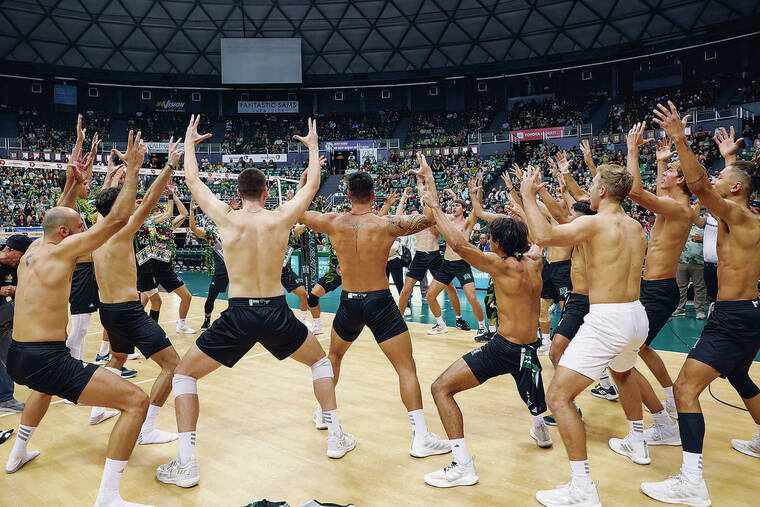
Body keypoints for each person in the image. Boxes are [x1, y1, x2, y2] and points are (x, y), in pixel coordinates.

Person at [157, 117, 355, 489]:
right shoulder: (281, 218)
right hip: (277, 312)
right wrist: (313, 146)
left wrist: (189, 142)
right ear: (266, 193)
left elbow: (193, 181)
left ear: (238, 194)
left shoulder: (226, 218)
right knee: (321, 362)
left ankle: (187, 463)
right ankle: (335, 437)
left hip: (239, 314)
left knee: (184, 375)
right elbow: (312, 183)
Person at [4, 130, 155, 507]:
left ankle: (17, 452)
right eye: (81, 227)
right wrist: (134, 169)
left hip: (19, 358)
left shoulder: (35, 248)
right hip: (46, 356)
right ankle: (108, 497)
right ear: (67, 233)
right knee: (136, 401)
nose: (86, 231)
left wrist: (73, 183)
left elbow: (59, 213)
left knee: (43, 386)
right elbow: (118, 217)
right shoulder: (64, 250)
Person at [641, 102, 760, 506]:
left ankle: (691, 481)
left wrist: (678, 138)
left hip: (733, 317)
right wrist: (731, 161)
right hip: (745, 313)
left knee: (686, 387)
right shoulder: (741, 215)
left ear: (736, 189)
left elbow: (700, 186)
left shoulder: (739, 216)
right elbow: (714, 191)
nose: (715, 178)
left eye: (723, 176)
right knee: (740, 376)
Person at [300, 153, 450, 459]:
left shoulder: (333, 222)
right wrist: (428, 179)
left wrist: (306, 178)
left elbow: (299, 212)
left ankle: (322, 414)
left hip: (349, 302)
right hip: (379, 302)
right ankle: (420, 437)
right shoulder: (387, 224)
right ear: (372, 194)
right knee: (405, 368)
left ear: (348, 194)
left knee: (333, 357)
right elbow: (432, 217)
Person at [521, 164, 648, 506]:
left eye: (592, 184)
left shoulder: (594, 223)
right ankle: (638, 441)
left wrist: (527, 195)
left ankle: (582, 488)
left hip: (608, 318)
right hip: (637, 314)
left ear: (604, 191)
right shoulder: (636, 227)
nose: (587, 190)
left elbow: (542, 237)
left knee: (559, 398)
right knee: (622, 374)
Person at [418, 171, 551, 489]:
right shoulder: (535, 259)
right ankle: (541, 430)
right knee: (530, 393)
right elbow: (540, 237)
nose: (488, 241)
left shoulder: (500, 265)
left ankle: (462, 465)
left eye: (491, 238)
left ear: (498, 244)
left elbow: (459, 244)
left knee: (441, 389)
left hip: (504, 349)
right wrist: (524, 203)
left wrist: (436, 210)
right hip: (530, 348)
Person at [91, 136, 185, 444]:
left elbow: (104, 199)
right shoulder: (120, 233)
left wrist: (113, 173)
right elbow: (148, 201)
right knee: (173, 366)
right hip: (128, 311)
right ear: (117, 208)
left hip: (108, 310)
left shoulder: (95, 226)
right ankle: (147, 429)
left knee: (117, 359)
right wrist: (168, 164)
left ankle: (97, 410)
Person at [621, 121, 688, 445]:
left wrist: (633, 149)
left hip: (660, 290)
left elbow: (634, 191)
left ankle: (662, 422)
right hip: (653, 288)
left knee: (625, 353)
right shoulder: (671, 205)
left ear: (683, 180)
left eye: (669, 172)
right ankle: (670, 397)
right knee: (641, 347)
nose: (663, 176)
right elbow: (658, 192)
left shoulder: (679, 208)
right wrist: (662, 160)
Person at [424, 187, 487, 340]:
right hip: (446, 264)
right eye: (453, 205)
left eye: (457, 205)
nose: (454, 207)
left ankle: (483, 327)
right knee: (430, 296)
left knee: (472, 297)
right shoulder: (448, 222)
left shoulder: (467, 223)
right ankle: (440, 324)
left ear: (464, 209)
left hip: (462, 264)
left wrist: (476, 193)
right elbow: (434, 213)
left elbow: (477, 208)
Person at [396, 206, 465, 328]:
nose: (425, 206)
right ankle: (399, 320)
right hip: (420, 256)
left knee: (451, 288)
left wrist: (454, 200)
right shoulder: (417, 219)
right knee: (406, 289)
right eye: (424, 204)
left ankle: (459, 319)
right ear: (422, 206)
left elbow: (456, 217)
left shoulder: (438, 217)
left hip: (435, 256)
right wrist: (404, 199)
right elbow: (397, 217)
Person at [188, 197, 237, 332]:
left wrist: (234, 211)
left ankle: (235, 321)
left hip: (235, 270)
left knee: (237, 299)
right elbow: (193, 228)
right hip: (221, 272)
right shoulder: (212, 235)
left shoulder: (233, 230)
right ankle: (207, 320)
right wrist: (192, 212)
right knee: (210, 298)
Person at [0, 235, 34, 413]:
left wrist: (16, 291)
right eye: (21, 255)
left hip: (4, 317)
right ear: (9, 250)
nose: (22, 260)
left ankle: (5, 398)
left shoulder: (18, 267)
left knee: (6, 355)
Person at [674, 206, 706, 319]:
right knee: (680, 286)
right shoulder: (681, 225)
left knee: (700, 287)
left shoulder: (704, 225)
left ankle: (700, 310)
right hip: (681, 260)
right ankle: (679, 308)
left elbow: (714, 239)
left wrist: (704, 239)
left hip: (699, 261)